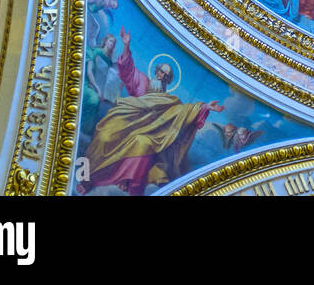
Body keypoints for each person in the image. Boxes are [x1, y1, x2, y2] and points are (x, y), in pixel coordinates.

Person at [78, 28, 224, 195]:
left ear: (168, 80)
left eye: (166, 75)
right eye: (161, 71)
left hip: (148, 133)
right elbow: (127, 70)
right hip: (126, 122)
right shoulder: (142, 81)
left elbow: (184, 111)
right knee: (105, 134)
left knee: (143, 143)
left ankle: (127, 182)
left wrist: (205, 107)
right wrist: (126, 45)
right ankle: (90, 177)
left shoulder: (170, 101)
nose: (162, 76)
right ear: (156, 71)